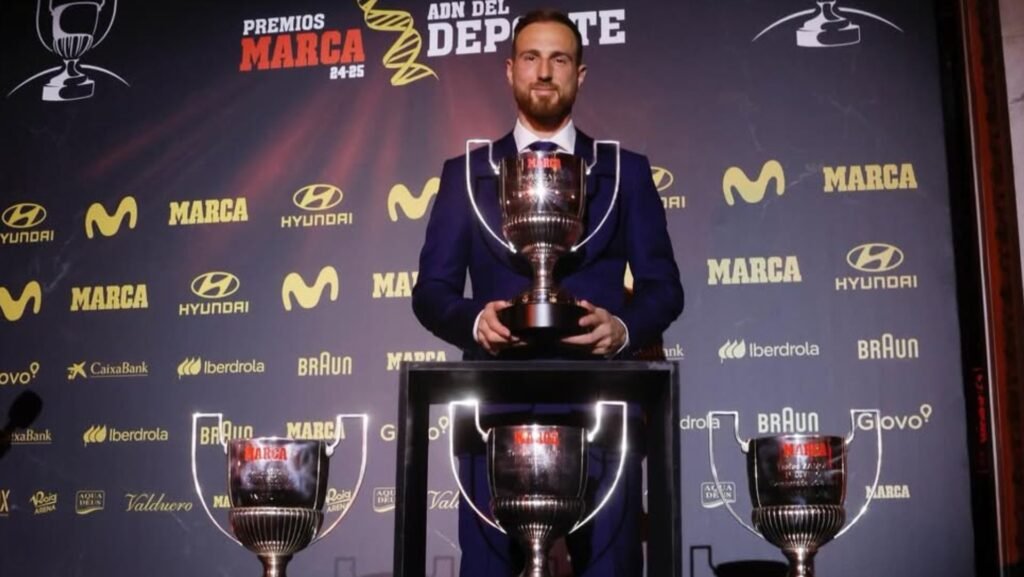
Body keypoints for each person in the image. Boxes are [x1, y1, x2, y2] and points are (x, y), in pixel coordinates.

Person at [412, 9, 683, 577]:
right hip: (493, 407)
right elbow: (431, 292)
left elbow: (664, 289)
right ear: (509, 71)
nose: (544, 72)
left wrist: (625, 329)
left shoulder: (624, 173)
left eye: (559, 59)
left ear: (579, 74)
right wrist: (472, 322)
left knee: (610, 571)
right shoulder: (465, 175)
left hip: (601, 406)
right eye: (531, 58)